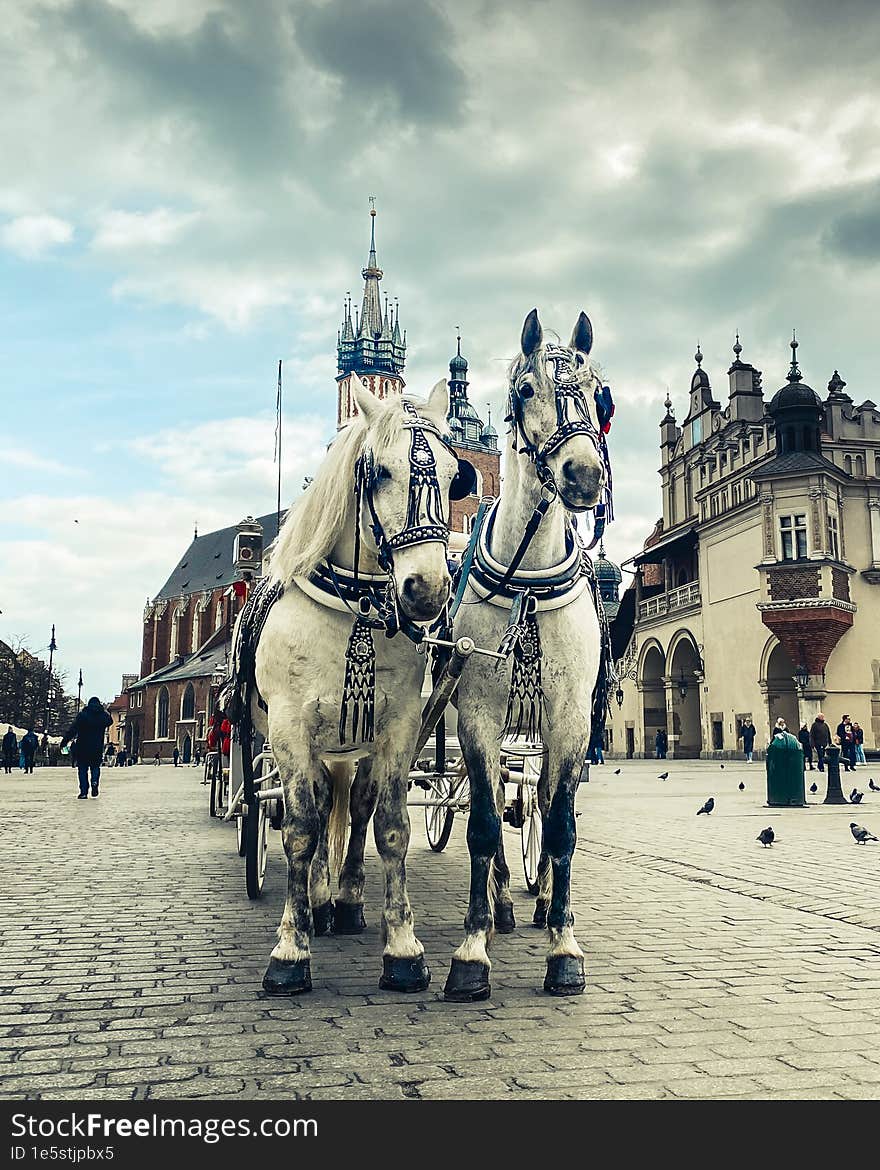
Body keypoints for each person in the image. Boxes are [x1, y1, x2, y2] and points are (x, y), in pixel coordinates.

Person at [59, 697, 112, 799]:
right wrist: (103, 711)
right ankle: (95, 782)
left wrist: (64, 742)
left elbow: (72, 730)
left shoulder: (83, 715)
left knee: (82, 769)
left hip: (82, 747)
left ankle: (83, 792)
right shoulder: (103, 716)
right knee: (95, 767)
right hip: (97, 747)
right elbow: (110, 721)